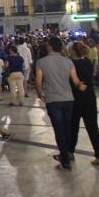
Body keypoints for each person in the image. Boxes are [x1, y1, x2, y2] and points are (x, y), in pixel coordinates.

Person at [35, 37, 88, 170]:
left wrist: (40, 94)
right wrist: (80, 86)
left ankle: (65, 159)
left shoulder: (41, 62)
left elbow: (38, 82)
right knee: (67, 128)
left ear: (50, 46)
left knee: (59, 130)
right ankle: (67, 154)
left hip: (53, 100)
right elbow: (75, 80)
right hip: (68, 99)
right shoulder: (68, 61)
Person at [69, 42, 99, 165]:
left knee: (73, 127)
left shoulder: (71, 64)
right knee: (93, 127)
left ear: (74, 51)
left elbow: (71, 81)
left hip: (76, 98)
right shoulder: (88, 61)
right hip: (90, 97)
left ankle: (70, 152)